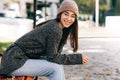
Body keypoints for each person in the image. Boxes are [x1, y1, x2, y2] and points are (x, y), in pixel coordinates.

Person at [0, 0, 89, 80]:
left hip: (18, 59)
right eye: (66, 14)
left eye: (72, 16)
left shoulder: (58, 28)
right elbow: (53, 57)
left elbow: (55, 56)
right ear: (60, 14)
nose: (69, 18)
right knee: (55, 68)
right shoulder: (54, 29)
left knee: (57, 65)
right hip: (14, 61)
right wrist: (77, 58)